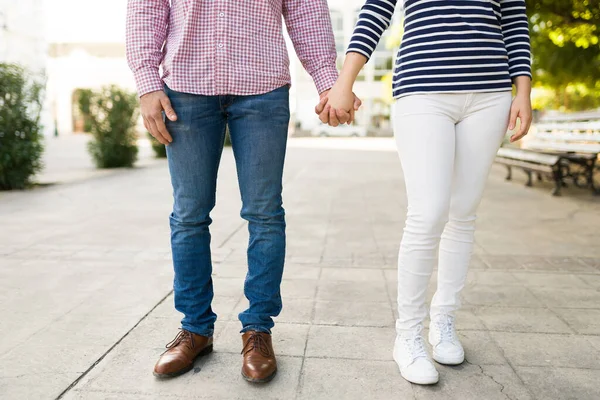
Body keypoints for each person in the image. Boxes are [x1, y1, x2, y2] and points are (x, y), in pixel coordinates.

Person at [126, 0, 360, 383]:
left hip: (262, 88)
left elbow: (306, 12)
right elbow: (146, 11)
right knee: (189, 214)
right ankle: (196, 329)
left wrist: (327, 81)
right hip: (186, 86)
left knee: (265, 213)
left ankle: (258, 330)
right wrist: (147, 83)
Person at [317, 0, 532, 385]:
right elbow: (376, 9)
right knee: (428, 212)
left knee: (463, 212)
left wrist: (523, 92)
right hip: (423, 90)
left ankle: (444, 321)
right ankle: (409, 335)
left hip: (490, 94)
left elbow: (514, 20)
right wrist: (343, 82)